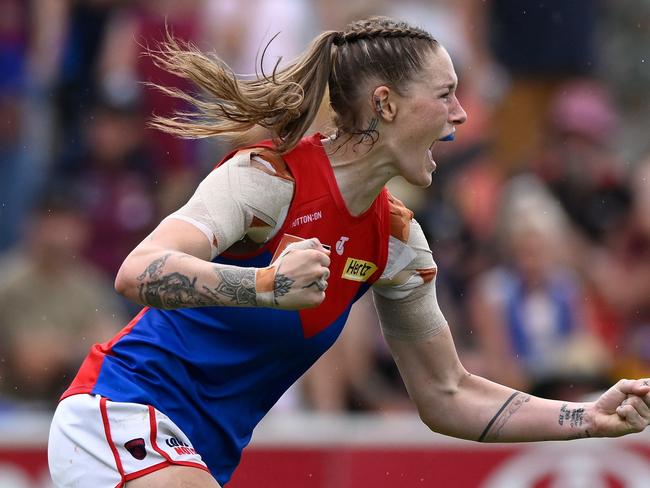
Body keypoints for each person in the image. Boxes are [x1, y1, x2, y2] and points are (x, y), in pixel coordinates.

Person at [47, 16, 650, 488]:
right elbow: (138, 270)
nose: (461, 115)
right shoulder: (269, 179)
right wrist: (265, 286)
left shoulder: (395, 240)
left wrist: (585, 418)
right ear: (385, 104)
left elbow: (447, 395)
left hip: (187, 450)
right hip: (118, 412)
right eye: (444, 95)